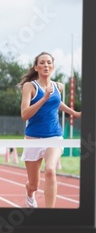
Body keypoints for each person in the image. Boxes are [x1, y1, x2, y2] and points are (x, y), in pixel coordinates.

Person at [18, 52, 81, 208]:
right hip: (33, 139)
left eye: (49, 62)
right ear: (36, 67)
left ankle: (49, 213)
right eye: (42, 63)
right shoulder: (30, 86)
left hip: (54, 137)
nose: (46, 65)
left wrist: (74, 113)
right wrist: (44, 98)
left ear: (52, 66)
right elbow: (25, 115)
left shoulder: (58, 86)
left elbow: (57, 103)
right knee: (33, 185)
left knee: (50, 170)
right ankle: (30, 193)